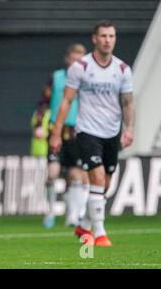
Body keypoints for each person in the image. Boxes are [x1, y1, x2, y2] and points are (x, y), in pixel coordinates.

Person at [49, 21, 134, 247]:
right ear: (94, 39)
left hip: (111, 132)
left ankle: (84, 225)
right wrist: (56, 133)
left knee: (104, 185)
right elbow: (66, 100)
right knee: (96, 178)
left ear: (115, 39)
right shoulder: (81, 67)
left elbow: (127, 103)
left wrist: (129, 129)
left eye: (112, 36)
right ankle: (100, 233)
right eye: (104, 36)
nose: (108, 40)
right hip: (87, 130)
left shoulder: (123, 69)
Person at [34, 44, 89, 229]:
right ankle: (49, 211)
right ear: (67, 59)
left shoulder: (87, 80)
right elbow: (43, 102)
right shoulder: (56, 78)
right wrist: (38, 125)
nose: (75, 64)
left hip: (77, 133)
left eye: (79, 61)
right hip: (56, 132)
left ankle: (72, 215)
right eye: (73, 60)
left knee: (75, 175)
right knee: (53, 173)